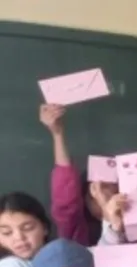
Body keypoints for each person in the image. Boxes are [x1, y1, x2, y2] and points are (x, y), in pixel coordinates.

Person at [40, 104, 117, 246]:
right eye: (98, 194)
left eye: (115, 192)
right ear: (84, 197)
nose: (107, 200)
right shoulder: (76, 231)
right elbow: (66, 197)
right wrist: (57, 134)